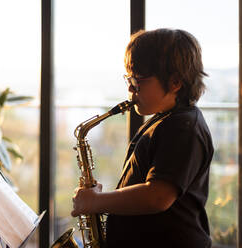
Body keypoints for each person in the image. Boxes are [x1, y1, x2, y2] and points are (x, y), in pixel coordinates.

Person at [71, 28, 214, 248]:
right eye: (129, 78)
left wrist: (97, 201)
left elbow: (157, 196)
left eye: (138, 80)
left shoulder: (183, 127)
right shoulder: (163, 121)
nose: (130, 88)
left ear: (175, 82)